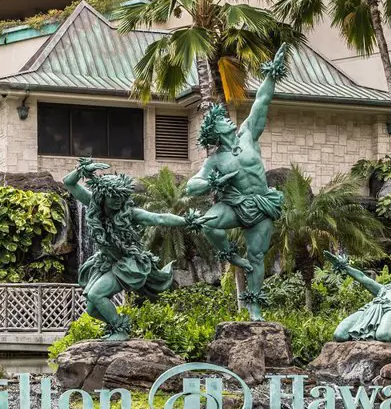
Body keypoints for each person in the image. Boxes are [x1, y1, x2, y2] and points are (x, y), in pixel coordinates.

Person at [185, 43, 288, 320]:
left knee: (257, 257)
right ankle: (230, 254)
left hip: (262, 204)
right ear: (215, 131)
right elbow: (191, 186)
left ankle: (254, 307)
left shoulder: (248, 135)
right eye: (221, 121)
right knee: (207, 222)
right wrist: (217, 182)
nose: (228, 120)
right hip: (235, 204)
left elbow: (261, 102)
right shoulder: (215, 160)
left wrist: (271, 76)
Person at [63, 160, 207, 340]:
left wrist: (187, 221)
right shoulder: (94, 205)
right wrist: (81, 170)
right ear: (103, 196)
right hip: (106, 262)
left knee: (96, 295)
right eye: (113, 197)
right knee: (92, 309)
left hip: (127, 262)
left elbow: (159, 218)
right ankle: (117, 326)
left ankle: (121, 331)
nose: (117, 201)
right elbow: (68, 182)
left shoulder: (130, 214)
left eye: (120, 197)